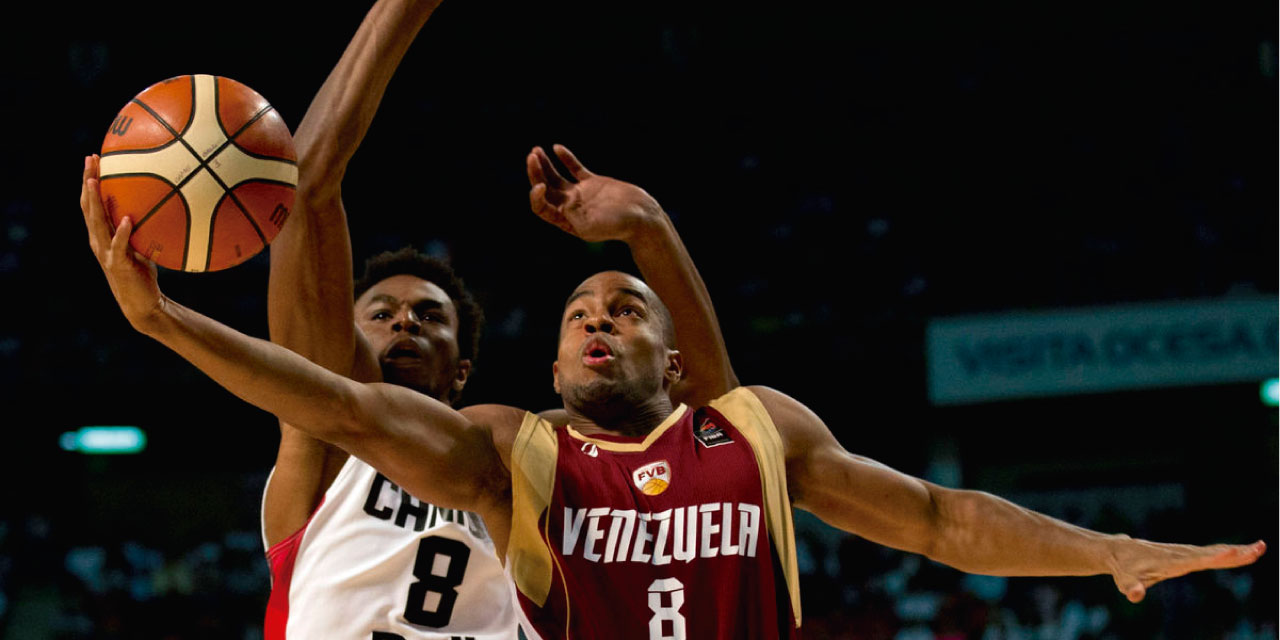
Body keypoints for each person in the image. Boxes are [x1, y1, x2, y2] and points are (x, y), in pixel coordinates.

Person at [80, 146, 1266, 640]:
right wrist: (162, 318)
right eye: (576, 314)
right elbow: (336, 407)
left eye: (624, 307)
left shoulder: (755, 432)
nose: (598, 319)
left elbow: (941, 519)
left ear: (675, 358)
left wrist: (1106, 549)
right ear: (551, 371)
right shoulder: (514, 453)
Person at [255, 1, 737, 638]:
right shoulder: (324, 446)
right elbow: (309, 187)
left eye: (430, 316)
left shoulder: (527, 456)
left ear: (462, 371)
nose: (405, 323)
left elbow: (714, 427)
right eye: (382, 313)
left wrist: (649, 228)